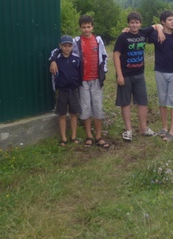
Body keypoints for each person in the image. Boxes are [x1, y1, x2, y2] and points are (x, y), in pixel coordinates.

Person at [49, 15, 110, 149]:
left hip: (96, 80)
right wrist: (53, 60)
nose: (86, 29)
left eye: (88, 27)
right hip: (83, 81)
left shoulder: (98, 40)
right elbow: (59, 49)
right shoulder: (76, 41)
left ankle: (99, 136)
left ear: (92, 27)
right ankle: (89, 136)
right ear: (80, 28)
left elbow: (104, 56)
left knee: (98, 108)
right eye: (83, 27)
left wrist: (103, 72)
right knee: (85, 109)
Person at [113, 11, 164, 141]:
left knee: (143, 101)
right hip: (125, 74)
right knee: (125, 102)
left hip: (139, 74)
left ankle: (143, 128)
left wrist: (160, 32)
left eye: (136, 22)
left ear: (140, 23)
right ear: (128, 24)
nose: (134, 25)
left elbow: (157, 25)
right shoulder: (123, 37)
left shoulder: (143, 33)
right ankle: (128, 130)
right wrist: (119, 75)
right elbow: (116, 55)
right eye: (132, 23)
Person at [148, 10, 173, 142]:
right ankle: (164, 127)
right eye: (169, 20)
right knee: (162, 100)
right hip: (160, 71)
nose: (172, 22)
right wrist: (159, 29)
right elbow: (144, 31)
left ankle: (172, 130)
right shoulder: (156, 35)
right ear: (163, 22)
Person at [51, 35, 82, 147]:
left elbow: (80, 74)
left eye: (69, 46)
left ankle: (73, 136)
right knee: (62, 115)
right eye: (64, 46)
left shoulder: (77, 59)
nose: (67, 48)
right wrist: (53, 61)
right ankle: (63, 138)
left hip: (73, 90)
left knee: (74, 114)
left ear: (72, 46)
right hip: (62, 91)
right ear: (60, 46)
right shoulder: (56, 60)